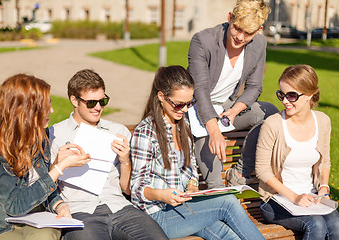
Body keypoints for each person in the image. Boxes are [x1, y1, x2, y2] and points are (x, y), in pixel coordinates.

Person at [130, 65, 265, 240]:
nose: (185, 110)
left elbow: (191, 166)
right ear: (161, 97)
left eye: (189, 103)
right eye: (179, 104)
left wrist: (192, 185)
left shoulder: (182, 125)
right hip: (157, 216)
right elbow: (136, 188)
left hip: (183, 208)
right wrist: (162, 195)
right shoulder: (146, 132)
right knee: (228, 202)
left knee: (228, 235)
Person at [49, 69, 168, 240]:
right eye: (91, 103)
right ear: (74, 100)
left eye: (102, 101)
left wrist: (125, 160)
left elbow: (127, 189)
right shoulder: (55, 135)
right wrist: (58, 165)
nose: (98, 107)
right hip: (80, 211)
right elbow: (44, 187)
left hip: (119, 207)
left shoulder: (117, 131)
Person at [0, 74, 90, 239]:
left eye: (50, 103)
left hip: (35, 215)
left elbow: (41, 180)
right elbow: (14, 205)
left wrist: (59, 205)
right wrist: (60, 167)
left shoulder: (39, 135)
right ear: (23, 110)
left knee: (46, 236)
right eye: (44, 105)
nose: (51, 110)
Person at [187, 0, 279, 188]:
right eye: (237, 28)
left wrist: (234, 111)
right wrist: (213, 130)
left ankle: (238, 172)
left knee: (270, 113)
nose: (240, 36)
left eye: (248, 33)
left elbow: (254, 87)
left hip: (226, 108)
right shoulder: (203, 41)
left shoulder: (259, 44)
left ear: (259, 30)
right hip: (196, 108)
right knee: (212, 166)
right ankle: (218, 191)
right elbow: (200, 90)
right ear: (230, 18)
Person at [255, 65, 339, 239]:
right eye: (281, 95)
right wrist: (294, 198)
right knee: (315, 224)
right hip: (276, 200)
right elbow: (262, 170)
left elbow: (325, 161)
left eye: (291, 95)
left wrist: (323, 186)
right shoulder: (273, 124)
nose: (285, 101)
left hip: (311, 197)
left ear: (309, 95)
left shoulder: (323, 121)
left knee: (336, 224)